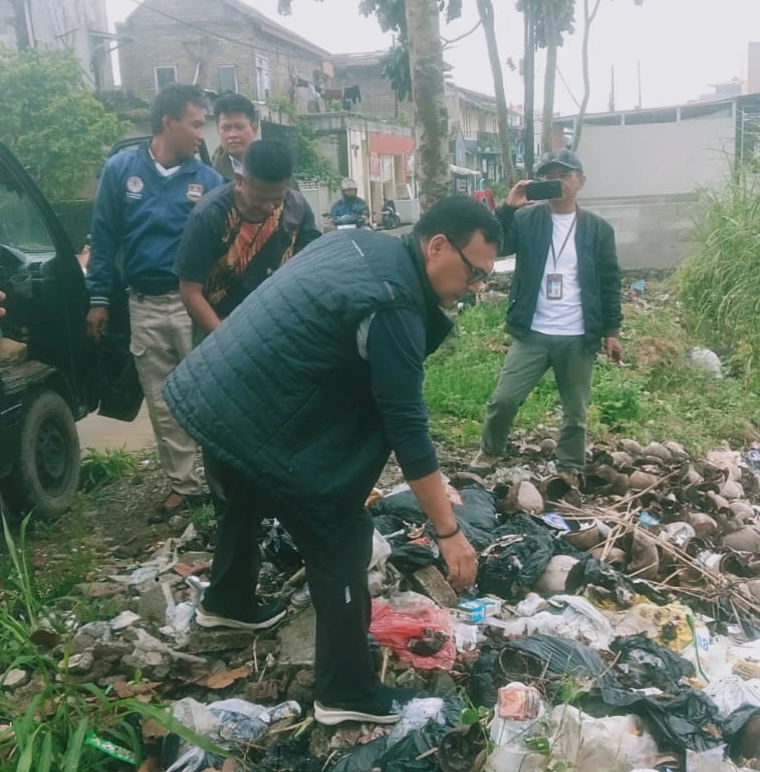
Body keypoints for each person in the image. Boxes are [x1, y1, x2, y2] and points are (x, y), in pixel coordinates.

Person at [162, 197, 501, 725]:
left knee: (244, 491)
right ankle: (345, 691)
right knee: (341, 537)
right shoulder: (394, 305)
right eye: (474, 273)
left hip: (217, 392)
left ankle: (226, 601)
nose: (475, 288)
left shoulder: (360, 243)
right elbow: (406, 426)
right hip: (249, 407)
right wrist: (448, 531)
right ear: (437, 246)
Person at [86, 83, 224, 518]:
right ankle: (184, 485)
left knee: (213, 394)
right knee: (163, 402)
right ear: (169, 123)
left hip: (197, 305)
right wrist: (98, 299)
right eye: (196, 124)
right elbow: (103, 239)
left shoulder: (210, 182)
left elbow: (227, 251)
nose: (202, 134)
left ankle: (225, 483)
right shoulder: (119, 171)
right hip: (144, 304)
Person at [470, 149, 623, 477]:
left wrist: (612, 331)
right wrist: (509, 208)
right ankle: (489, 451)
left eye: (563, 176)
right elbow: (496, 246)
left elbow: (610, 281)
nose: (555, 182)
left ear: (580, 181)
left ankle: (568, 467)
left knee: (576, 412)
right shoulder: (527, 220)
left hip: (578, 334)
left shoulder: (598, 229)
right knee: (504, 399)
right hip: (532, 332)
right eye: (548, 177)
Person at [175, 138, 320, 337]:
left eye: (277, 198)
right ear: (240, 179)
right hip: (220, 329)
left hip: (281, 326)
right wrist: (224, 339)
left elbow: (313, 265)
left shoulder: (297, 206)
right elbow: (190, 292)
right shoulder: (210, 216)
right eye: (260, 199)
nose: (269, 207)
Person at [211, 93, 259, 180]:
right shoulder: (210, 175)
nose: (232, 135)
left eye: (239, 127)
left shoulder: (274, 166)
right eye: (226, 128)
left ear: (254, 129)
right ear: (218, 131)